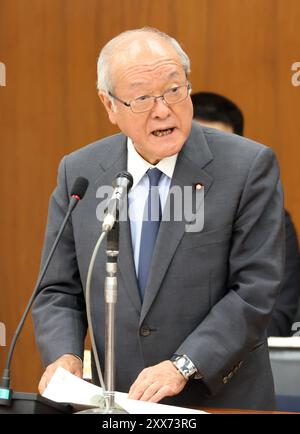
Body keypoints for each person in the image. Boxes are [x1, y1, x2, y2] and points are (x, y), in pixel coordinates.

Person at [32, 28, 284, 410]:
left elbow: (255, 289)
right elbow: (57, 289)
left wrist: (184, 365)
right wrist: (64, 354)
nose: (163, 109)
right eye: (142, 97)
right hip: (119, 400)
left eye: (174, 90)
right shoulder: (81, 172)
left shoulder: (247, 167)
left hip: (220, 400)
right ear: (110, 105)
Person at [191, 91, 300, 337]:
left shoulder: (271, 219)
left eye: (217, 148)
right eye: (197, 147)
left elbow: (277, 312)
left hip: (238, 364)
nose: (205, 161)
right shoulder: (153, 210)